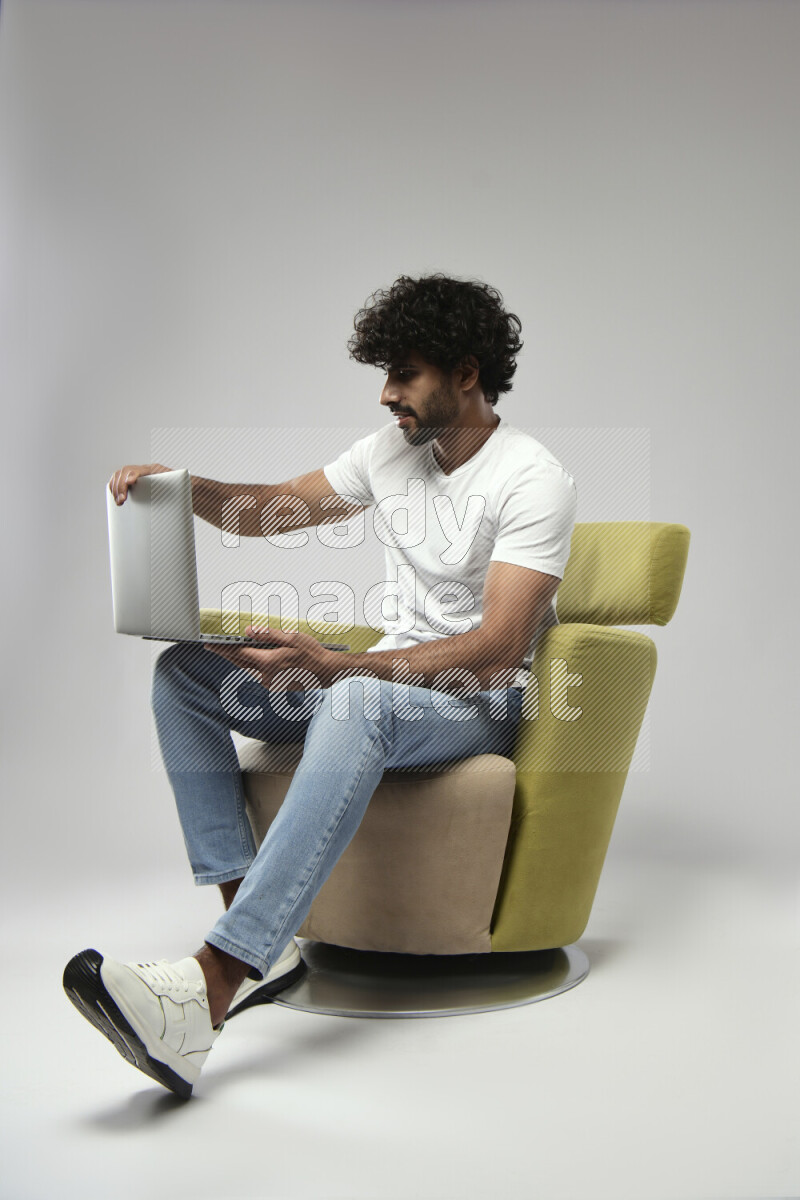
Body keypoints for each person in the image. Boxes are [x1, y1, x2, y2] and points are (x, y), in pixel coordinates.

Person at [63, 273, 578, 1098]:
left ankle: (213, 984)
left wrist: (341, 668)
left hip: (478, 700)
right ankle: (260, 931)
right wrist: (181, 490)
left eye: (404, 374)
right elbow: (269, 510)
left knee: (357, 697)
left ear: (467, 373)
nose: (386, 395)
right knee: (186, 676)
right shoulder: (392, 454)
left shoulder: (533, 479)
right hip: (386, 681)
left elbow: (496, 647)